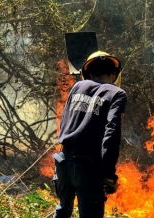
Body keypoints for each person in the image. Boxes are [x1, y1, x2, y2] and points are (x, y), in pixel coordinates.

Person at [52, 51, 127, 218]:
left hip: (62, 161)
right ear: (114, 74)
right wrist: (108, 174)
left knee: (63, 210)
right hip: (88, 166)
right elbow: (112, 134)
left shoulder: (78, 87)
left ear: (88, 74)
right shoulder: (117, 93)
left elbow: (64, 121)